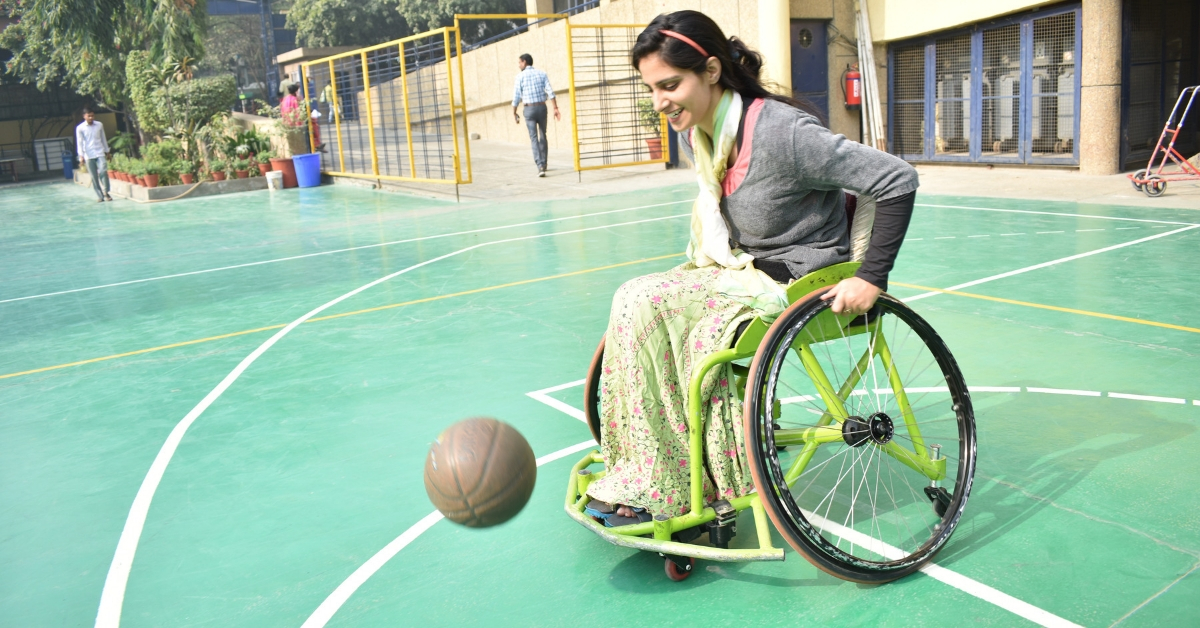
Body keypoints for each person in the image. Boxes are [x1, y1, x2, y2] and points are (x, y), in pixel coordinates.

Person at [583, 11, 918, 525]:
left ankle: (679, 482)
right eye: (651, 89)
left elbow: (896, 178)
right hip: (747, 267)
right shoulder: (706, 132)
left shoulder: (783, 134)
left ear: (712, 71)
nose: (660, 102)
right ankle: (659, 469)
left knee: (647, 303)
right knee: (635, 299)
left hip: (802, 279)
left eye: (670, 85)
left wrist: (870, 276)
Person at [511, 53, 561, 177]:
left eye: (519, 62)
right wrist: (555, 108)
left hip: (529, 110)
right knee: (543, 134)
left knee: (534, 138)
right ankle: (544, 163)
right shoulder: (542, 74)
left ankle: (540, 166)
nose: (519, 65)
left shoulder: (519, 77)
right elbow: (550, 92)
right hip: (542, 107)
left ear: (524, 62)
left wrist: (514, 112)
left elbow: (516, 97)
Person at [75, 105, 112, 202]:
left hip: (100, 152)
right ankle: (100, 196)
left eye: (92, 116)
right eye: (89, 116)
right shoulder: (80, 128)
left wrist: (107, 151)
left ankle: (106, 192)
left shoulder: (99, 125)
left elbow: (103, 138)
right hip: (88, 155)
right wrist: (81, 157)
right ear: (84, 116)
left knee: (103, 170)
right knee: (94, 176)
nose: (91, 118)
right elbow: (79, 143)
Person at [281, 83, 321, 152]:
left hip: (287, 121)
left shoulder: (285, 99)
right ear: (296, 91)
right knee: (314, 126)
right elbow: (299, 111)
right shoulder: (295, 99)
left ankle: (316, 145)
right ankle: (316, 145)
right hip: (297, 122)